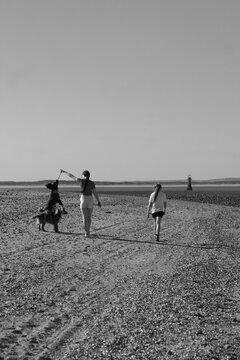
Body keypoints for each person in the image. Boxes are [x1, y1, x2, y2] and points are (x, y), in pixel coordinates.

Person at [60, 169, 101, 237]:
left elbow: (71, 176)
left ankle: (86, 232)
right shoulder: (92, 183)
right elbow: (95, 193)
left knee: (84, 218)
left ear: (83, 175)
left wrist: (65, 172)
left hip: (83, 199)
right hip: (90, 200)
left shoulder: (80, 181)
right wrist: (98, 201)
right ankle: (88, 231)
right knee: (89, 217)